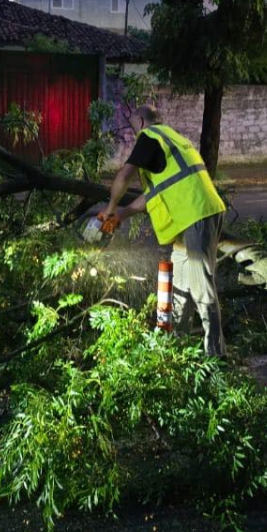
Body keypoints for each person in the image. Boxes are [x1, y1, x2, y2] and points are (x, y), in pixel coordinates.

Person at [98, 104, 227, 357]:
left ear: (141, 122)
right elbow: (154, 193)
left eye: (134, 128)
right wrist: (122, 214)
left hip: (197, 213)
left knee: (201, 287)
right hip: (189, 217)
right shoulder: (172, 139)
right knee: (179, 287)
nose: (135, 134)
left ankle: (216, 356)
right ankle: (176, 352)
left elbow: (124, 176)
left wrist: (110, 207)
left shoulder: (149, 137)